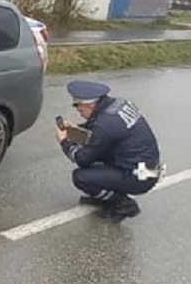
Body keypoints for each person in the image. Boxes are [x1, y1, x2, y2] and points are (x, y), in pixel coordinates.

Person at [57, 80, 163, 222]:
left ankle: (123, 204)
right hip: (146, 166)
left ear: (90, 105)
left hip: (139, 177)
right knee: (96, 159)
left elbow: (82, 158)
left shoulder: (105, 125)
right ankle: (107, 195)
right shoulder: (119, 104)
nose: (79, 113)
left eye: (80, 110)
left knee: (81, 176)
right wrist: (74, 129)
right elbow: (100, 131)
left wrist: (64, 141)